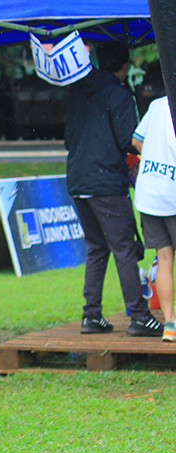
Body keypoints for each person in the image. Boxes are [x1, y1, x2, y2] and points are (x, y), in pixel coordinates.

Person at [66, 41, 162, 336]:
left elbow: (69, 137)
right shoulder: (118, 93)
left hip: (78, 179)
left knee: (97, 249)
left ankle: (91, 315)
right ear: (125, 65)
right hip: (106, 181)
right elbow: (128, 140)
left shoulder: (78, 90)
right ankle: (140, 316)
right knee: (125, 249)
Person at [132, 95, 176, 341]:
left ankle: (170, 323)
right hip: (172, 194)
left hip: (150, 193)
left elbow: (136, 141)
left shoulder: (157, 105)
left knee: (164, 258)